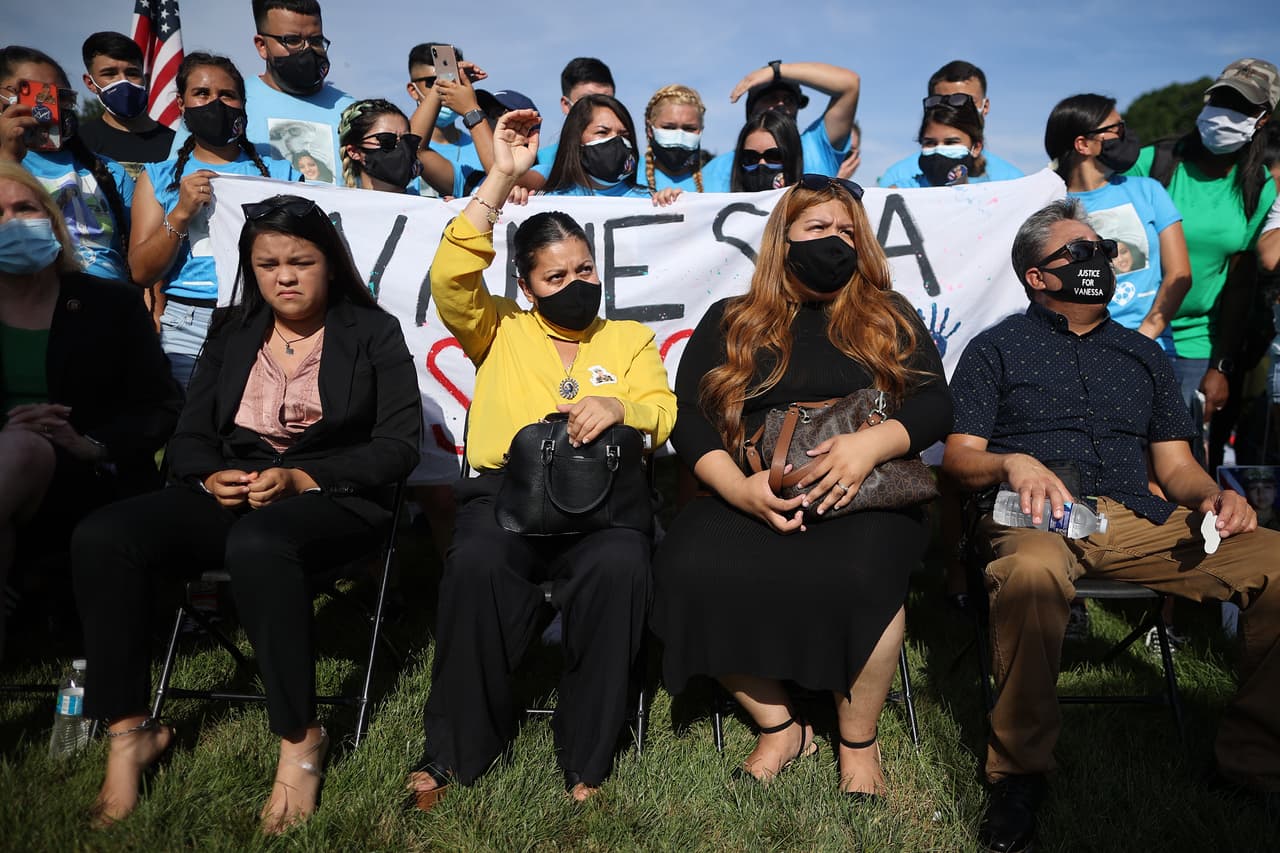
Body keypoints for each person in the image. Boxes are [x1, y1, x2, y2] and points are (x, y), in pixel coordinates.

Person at [71, 193, 422, 832]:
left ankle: (299, 738)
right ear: (250, 267)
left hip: (335, 500)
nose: (283, 276)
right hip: (233, 496)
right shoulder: (231, 331)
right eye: (267, 264)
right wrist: (209, 475)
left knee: (262, 543)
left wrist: (303, 476)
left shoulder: (372, 332)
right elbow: (188, 436)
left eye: (300, 261)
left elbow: (398, 447)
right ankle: (130, 731)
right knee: (105, 536)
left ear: (332, 264)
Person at [942, 198, 1280, 853]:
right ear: (1037, 276)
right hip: (1037, 514)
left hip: (1137, 516)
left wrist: (1215, 497)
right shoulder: (995, 349)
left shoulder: (1143, 355)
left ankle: (1252, 761)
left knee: (1276, 560)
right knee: (1032, 570)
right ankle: (1019, 775)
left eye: (1098, 248)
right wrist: (1015, 460)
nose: (1094, 259)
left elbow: (1177, 466)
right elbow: (958, 455)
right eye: (1075, 252)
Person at [650, 175, 952, 797]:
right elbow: (688, 418)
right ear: (782, 238)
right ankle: (779, 723)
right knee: (684, 566)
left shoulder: (889, 315)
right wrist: (738, 491)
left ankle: (857, 740)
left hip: (864, 491)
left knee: (864, 574)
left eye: (846, 231)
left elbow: (936, 406)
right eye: (818, 228)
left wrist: (871, 444)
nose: (834, 241)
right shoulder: (729, 319)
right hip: (757, 487)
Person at [409, 109, 676, 806]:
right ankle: (456, 749)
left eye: (584, 268)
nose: (576, 283)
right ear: (527, 286)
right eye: (556, 276)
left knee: (621, 566)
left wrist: (625, 408)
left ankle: (588, 757)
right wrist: (499, 175)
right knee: (476, 566)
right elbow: (448, 277)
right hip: (505, 499)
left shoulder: (627, 338)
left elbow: (663, 409)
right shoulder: (496, 328)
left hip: (607, 504)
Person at [0, 163, 179, 661]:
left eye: (24, 209)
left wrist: (91, 443)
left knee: (18, 447)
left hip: (92, 474)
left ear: (53, 220)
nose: (11, 223)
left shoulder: (111, 305)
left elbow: (161, 406)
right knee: (13, 446)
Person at [1125, 58, 1278, 467]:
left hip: (1195, 347)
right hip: (1130, 332)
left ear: (1261, 120)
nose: (1225, 115)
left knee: (1179, 467)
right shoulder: (1154, 161)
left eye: (1242, 108)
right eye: (1221, 100)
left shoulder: (1259, 186)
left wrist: (1222, 366)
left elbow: (1240, 284)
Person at [130, 53, 295, 389]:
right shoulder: (158, 177)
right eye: (202, 94)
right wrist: (180, 213)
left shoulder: (282, 174)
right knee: (191, 433)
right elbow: (141, 271)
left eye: (227, 95)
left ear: (243, 104)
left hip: (265, 318)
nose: (215, 104)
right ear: (181, 103)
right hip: (187, 327)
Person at [1046, 93, 1191, 355]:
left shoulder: (1149, 191)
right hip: (1076, 353)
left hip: (1151, 348)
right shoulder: (1050, 204)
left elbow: (1180, 275)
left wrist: (1144, 337)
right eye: (1116, 129)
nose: (1126, 135)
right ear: (1083, 145)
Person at [166, 0, 353, 184]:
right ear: (261, 45)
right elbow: (174, 184)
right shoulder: (227, 103)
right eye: (293, 40)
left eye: (315, 40)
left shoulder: (353, 112)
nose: (307, 49)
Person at [0, 46, 134, 282]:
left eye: (60, 97)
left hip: (110, 305)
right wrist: (8, 159)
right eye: (33, 94)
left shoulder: (110, 172)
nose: (49, 109)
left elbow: (140, 253)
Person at [700, 59, 858, 190]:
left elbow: (850, 84)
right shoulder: (717, 170)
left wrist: (775, 71)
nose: (781, 105)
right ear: (751, 108)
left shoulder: (816, 148)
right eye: (771, 98)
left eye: (789, 100)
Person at [878, 60, 1024, 188]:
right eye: (942, 102)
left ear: (985, 107)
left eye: (966, 102)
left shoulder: (1014, 182)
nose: (954, 111)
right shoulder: (897, 177)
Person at [542, 94, 681, 205]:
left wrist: (673, 203)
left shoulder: (651, 201)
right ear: (575, 139)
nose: (616, 141)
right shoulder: (548, 202)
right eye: (602, 132)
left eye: (624, 135)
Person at [77, 32, 175, 177]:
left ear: (145, 79)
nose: (124, 81)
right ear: (90, 83)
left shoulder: (177, 145)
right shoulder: (79, 143)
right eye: (109, 74)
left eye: (132, 73)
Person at [405, 42, 495, 198]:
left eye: (452, 79)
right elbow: (413, 148)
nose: (446, 86)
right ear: (413, 90)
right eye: (433, 82)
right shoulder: (391, 148)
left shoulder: (483, 145)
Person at [529, 57, 617, 185]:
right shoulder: (538, 161)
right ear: (566, 105)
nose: (599, 109)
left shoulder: (640, 167)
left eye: (607, 100)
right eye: (587, 100)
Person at [888, 101, 991, 188]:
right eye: (930, 143)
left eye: (951, 142)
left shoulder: (989, 194)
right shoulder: (900, 192)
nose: (939, 150)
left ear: (976, 148)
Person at [338, 99, 422, 193]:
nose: (401, 148)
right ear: (354, 151)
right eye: (386, 139)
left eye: (407, 140)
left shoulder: (433, 206)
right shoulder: (332, 206)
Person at [642, 84, 707, 192]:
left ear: (700, 130)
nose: (679, 136)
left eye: (689, 128)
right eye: (669, 127)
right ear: (650, 129)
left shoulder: (718, 177)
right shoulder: (629, 176)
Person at [727, 109, 804, 193]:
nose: (761, 164)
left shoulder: (813, 205)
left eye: (774, 156)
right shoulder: (720, 203)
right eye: (751, 158)